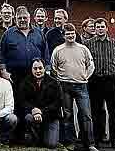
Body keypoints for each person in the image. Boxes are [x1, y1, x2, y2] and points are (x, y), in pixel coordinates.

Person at [0, 5, 49, 143]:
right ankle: (16, 135)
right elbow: (1, 54)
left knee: (32, 103)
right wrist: (3, 71)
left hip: (34, 75)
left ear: (29, 18)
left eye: (24, 17)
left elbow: (45, 52)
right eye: (19, 18)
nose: (22, 20)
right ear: (15, 19)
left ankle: (33, 135)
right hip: (14, 76)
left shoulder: (38, 33)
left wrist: (46, 70)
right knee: (16, 104)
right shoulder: (8, 34)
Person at [52, 23, 97, 151]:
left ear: (75, 34)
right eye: (68, 34)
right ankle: (70, 142)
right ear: (64, 36)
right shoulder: (58, 50)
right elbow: (54, 67)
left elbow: (91, 65)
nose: (70, 36)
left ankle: (89, 143)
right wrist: (60, 78)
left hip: (81, 85)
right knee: (67, 115)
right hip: (64, 86)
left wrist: (85, 76)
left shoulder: (83, 49)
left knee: (86, 114)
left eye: (72, 33)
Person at [83, 18, 115, 148]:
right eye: (98, 27)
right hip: (95, 81)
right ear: (95, 29)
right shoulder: (88, 44)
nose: (100, 29)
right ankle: (96, 140)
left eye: (102, 27)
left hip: (110, 81)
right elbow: (85, 62)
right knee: (96, 112)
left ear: (106, 28)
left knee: (113, 112)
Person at [17, 59, 62, 149]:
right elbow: (22, 101)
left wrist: (41, 111)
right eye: (35, 68)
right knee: (28, 118)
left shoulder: (54, 83)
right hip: (32, 115)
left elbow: (57, 103)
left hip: (51, 117)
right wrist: (33, 109)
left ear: (44, 69)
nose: (38, 71)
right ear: (31, 69)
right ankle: (35, 138)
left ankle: (42, 137)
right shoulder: (25, 82)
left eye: (40, 68)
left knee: (51, 144)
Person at [44, 8, 73, 145]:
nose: (56, 20)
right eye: (55, 18)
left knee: (68, 109)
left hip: (70, 76)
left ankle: (70, 136)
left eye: (59, 18)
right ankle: (58, 136)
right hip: (55, 76)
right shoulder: (50, 34)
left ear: (65, 19)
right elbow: (47, 53)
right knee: (57, 106)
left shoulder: (71, 32)